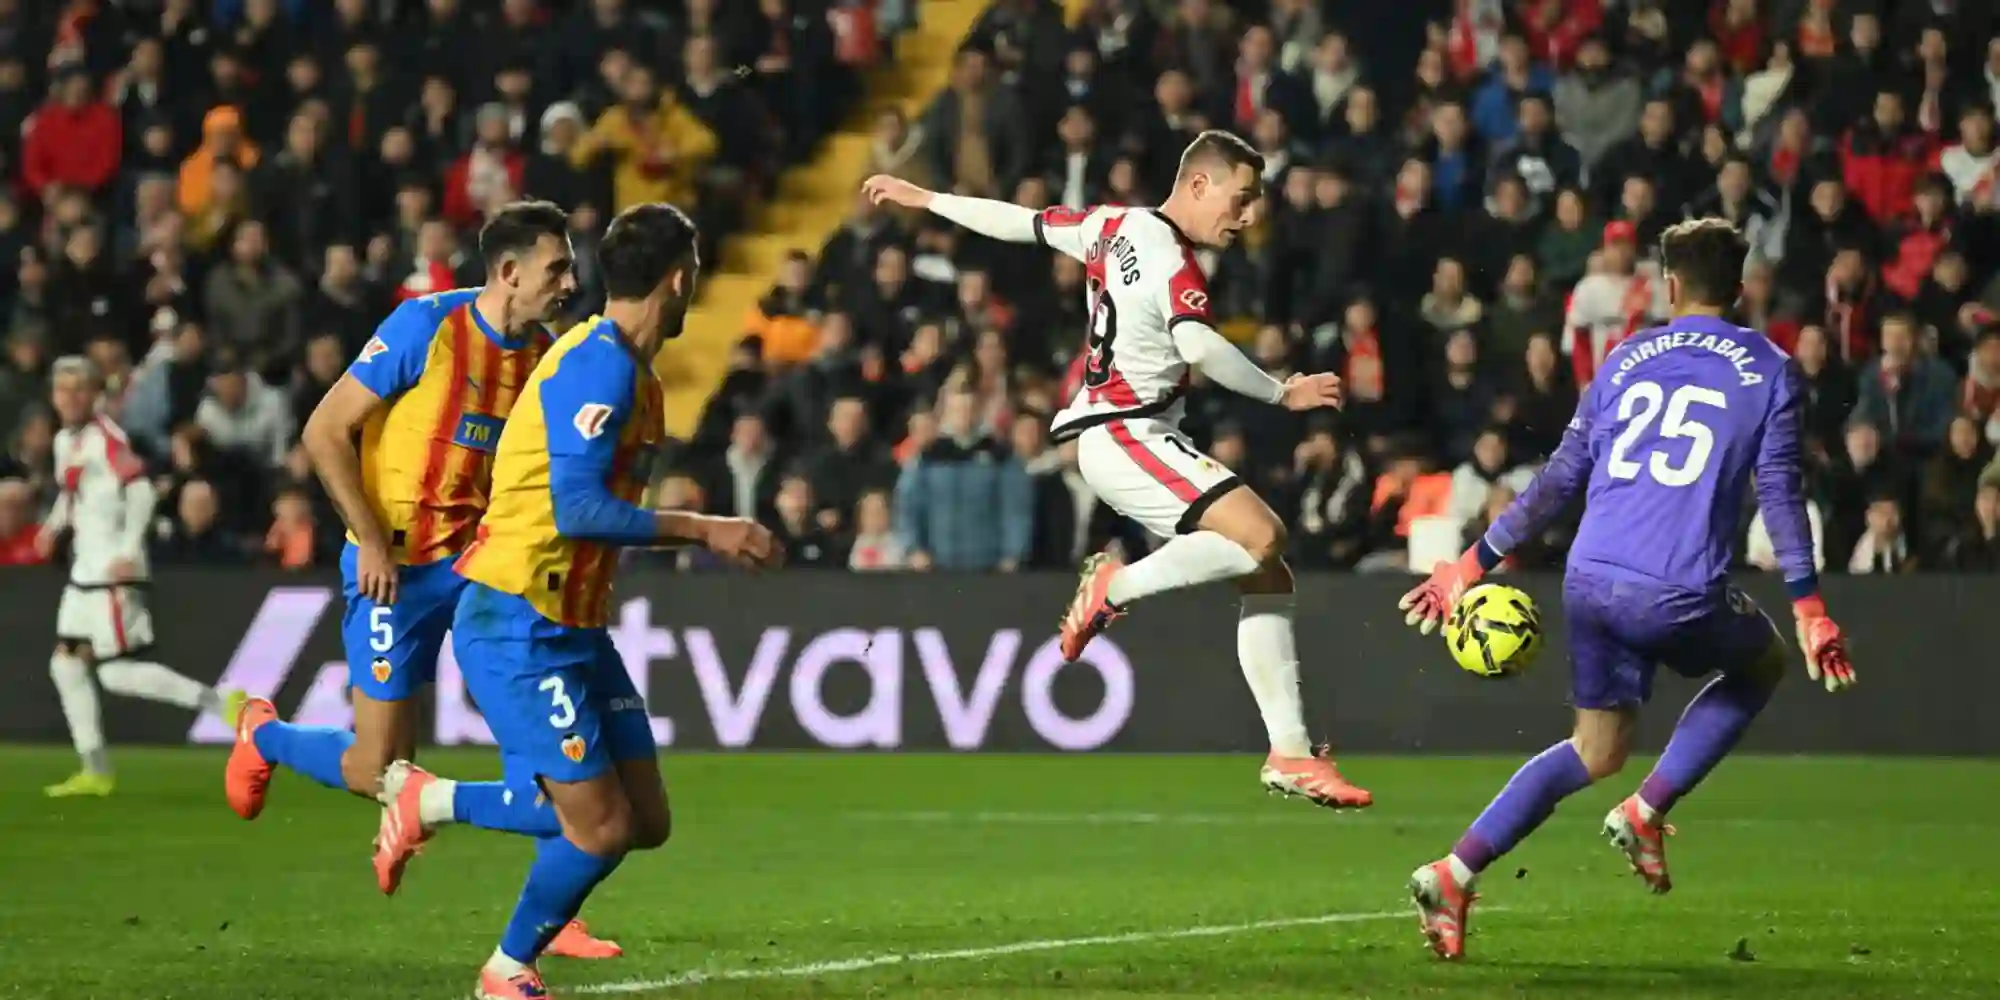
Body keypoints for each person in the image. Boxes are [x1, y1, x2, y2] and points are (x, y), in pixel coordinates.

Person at [862, 130, 1371, 810]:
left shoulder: (1111, 225)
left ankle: (1290, 752)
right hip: (1122, 431)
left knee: (1265, 571)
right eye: (1241, 199)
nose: (1248, 217)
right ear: (1198, 184)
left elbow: (1018, 222)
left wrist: (928, 199)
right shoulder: (1174, 262)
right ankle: (1114, 586)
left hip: (1124, 435)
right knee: (1264, 536)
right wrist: (1283, 393)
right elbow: (1199, 345)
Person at [1397, 218, 1858, 960]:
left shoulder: (1624, 357)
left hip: (1589, 579)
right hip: (1677, 588)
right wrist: (1809, 607)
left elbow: (1558, 480)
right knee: (1764, 661)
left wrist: (1471, 562)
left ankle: (1453, 872)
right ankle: (1646, 811)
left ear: (1670, 285)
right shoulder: (1768, 368)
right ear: (1738, 290)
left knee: (1595, 747)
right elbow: (1778, 489)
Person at [368, 203, 780, 1000]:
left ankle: (433, 797)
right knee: (600, 827)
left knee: (644, 820)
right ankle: (506, 969)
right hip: (518, 618)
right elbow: (577, 510)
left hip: (573, 624)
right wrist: (705, 528)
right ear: (681, 278)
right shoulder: (601, 367)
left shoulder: (637, 375)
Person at [221, 202, 621, 958]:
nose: (570, 282)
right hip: (393, 570)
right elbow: (323, 430)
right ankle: (263, 734)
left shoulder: (542, 356)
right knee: (377, 766)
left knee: (543, 757)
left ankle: (555, 911)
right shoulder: (424, 328)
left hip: (478, 570)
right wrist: (370, 538)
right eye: (557, 268)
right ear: (508, 272)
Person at [40, 357, 242, 797]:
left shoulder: (105, 439)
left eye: (79, 389)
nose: (70, 397)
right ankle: (94, 768)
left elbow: (142, 488)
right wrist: (54, 525)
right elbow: (71, 492)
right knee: (66, 662)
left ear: (93, 395)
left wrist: (129, 551)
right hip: (84, 573)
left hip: (111, 573)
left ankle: (221, 705)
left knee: (112, 672)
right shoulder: (64, 441)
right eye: (62, 389)